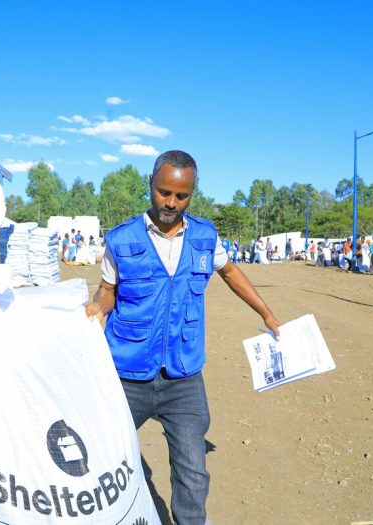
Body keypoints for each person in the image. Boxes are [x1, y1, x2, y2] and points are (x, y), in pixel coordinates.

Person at [85, 150, 280, 525]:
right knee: (105, 456)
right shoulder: (121, 239)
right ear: (150, 185)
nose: (170, 203)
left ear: (192, 193)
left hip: (184, 377)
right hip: (127, 374)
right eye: (163, 192)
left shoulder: (205, 236)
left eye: (181, 195)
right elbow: (108, 290)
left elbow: (231, 273)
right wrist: (97, 308)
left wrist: (266, 312)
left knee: (192, 471)